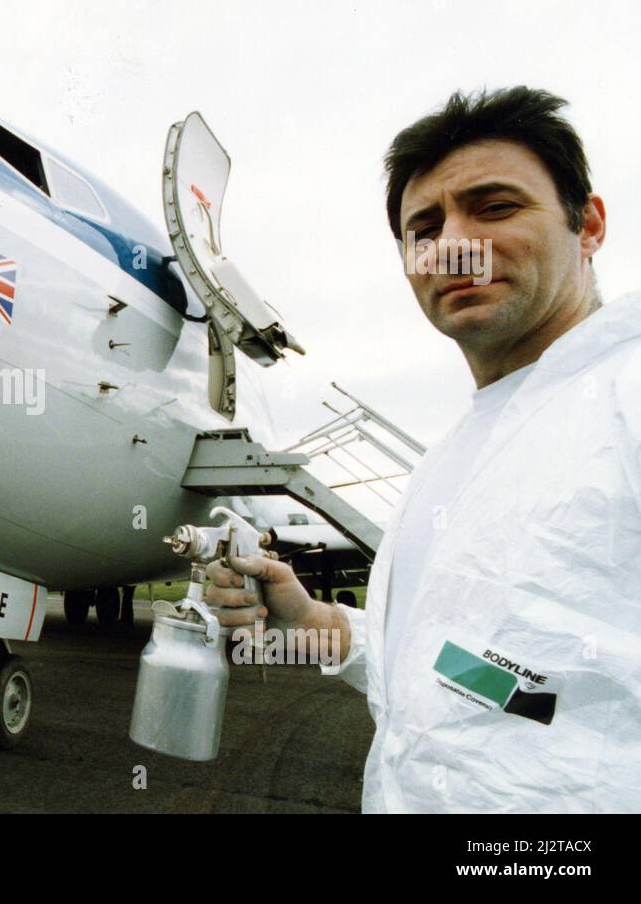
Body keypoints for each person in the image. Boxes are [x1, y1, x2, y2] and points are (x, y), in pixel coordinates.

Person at [206, 86, 641, 812]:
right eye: (425, 227)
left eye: (496, 206)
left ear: (589, 224)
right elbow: (455, 666)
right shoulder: (454, 458)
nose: (456, 244)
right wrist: (314, 620)